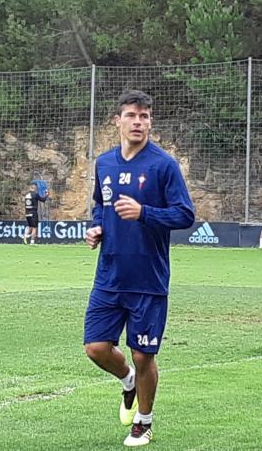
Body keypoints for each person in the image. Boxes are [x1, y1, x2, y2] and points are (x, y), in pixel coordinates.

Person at [83, 90, 195, 447]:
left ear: (151, 122)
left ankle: (144, 421)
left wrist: (145, 213)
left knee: (143, 354)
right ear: (117, 121)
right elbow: (101, 205)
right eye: (132, 115)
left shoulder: (163, 166)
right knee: (96, 348)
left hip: (148, 278)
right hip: (110, 274)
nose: (138, 122)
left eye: (145, 116)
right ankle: (127, 381)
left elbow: (185, 215)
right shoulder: (104, 163)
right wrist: (97, 227)